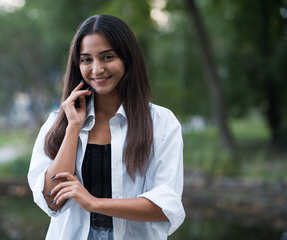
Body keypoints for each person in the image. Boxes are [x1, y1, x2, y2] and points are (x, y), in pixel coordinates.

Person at [28, 14, 185, 240]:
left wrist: (94, 203)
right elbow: (51, 200)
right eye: (86, 60)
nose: (97, 69)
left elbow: (165, 206)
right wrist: (73, 126)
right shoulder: (59, 122)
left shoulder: (161, 123)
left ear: (127, 59)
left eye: (107, 57)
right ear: (77, 65)